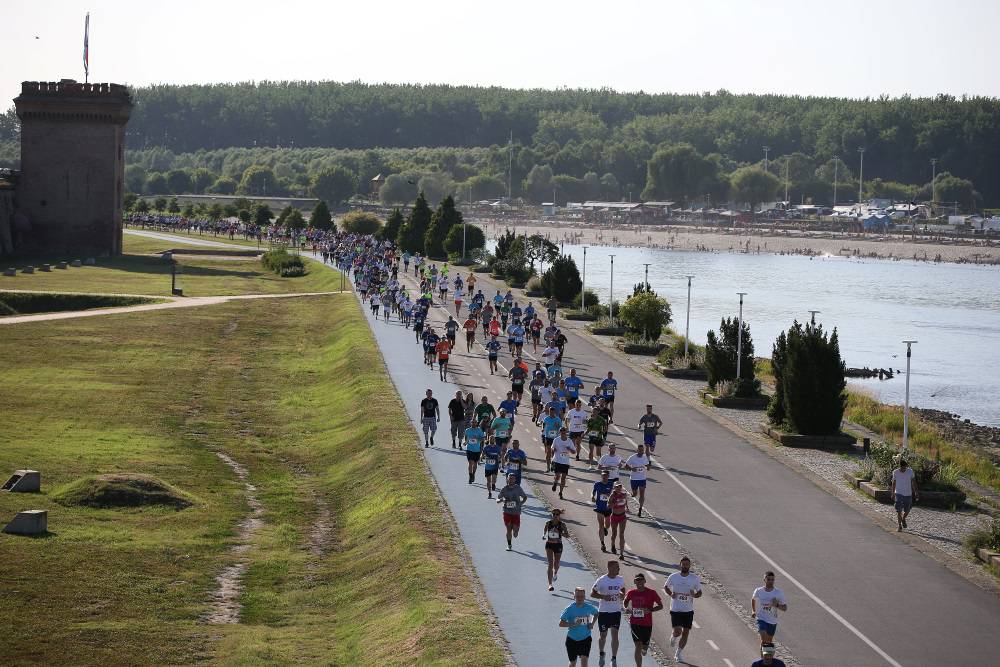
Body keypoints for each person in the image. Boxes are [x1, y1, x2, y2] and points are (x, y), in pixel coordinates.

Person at [664, 556, 702, 664]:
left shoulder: (694, 578)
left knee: (685, 633)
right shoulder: (673, 576)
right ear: (680, 565)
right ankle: (674, 636)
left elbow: (699, 592)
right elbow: (666, 586)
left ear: (689, 566)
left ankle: (678, 653)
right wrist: (671, 594)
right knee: (678, 631)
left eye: (687, 564)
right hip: (676, 608)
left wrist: (694, 595)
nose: (685, 566)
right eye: (683, 564)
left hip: (688, 610)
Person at [622, 573, 663, 665]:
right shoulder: (631, 592)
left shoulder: (652, 592)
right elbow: (625, 601)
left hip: (647, 624)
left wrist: (650, 610)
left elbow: (661, 606)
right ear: (634, 582)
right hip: (635, 623)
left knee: (644, 646)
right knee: (638, 645)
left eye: (641, 580)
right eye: (637, 580)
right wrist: (625, 608)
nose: (639, 582)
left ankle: (645, 647)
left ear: (645, 581)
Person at [591, 560, 625, 667]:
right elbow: (592, 593)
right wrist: (603, 597)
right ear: (610, 568)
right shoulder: (602, 580)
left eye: (618, 567)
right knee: (603, 635)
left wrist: (622, 594)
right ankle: (602, 653)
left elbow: (623, 590)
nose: (618, 569)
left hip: (616, 611)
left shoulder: (620, 579)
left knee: (615, 634)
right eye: (617, 567)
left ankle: (614, 658)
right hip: (604, 611)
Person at [560, 587, 599, 667]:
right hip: (572, 639)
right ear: (574, 597)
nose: (580, 598)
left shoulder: (589, 607)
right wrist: (573, 625)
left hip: (586, 638)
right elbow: (561, 623)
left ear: (585, 597)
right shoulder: (569, 609)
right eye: (578, 596)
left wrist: (592, 623)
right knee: (573, 662)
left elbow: (596, 613)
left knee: (584, 660)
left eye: (582, 596)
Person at [751, 572, 787, 647]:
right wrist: (753, 610)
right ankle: (763, 657)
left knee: (769, 642)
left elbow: (785, 608)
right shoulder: (759, 590)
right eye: (769, 579)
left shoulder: (778, 592)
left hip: (772, 620)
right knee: (764, 640)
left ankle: (765, 655)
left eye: (772, 579)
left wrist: (776, 605)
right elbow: (753, 599)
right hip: (761, 618)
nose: (771, 581)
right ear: (764, 580)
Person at [497, 473, 527, 550]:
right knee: (508, 529)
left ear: (515, 480)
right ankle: (509, 545)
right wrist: (501, 500)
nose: (511, 480)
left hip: (516, 512)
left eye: (512, 478)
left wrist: (521, 503)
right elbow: (497, 499)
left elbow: (525, 497)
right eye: (509, 478)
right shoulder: (504, 489)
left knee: (515, 533)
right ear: (507, 479)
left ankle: (516, 531)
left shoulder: (518, 488)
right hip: (507, 512)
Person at [544, 508, 570, 591]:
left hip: (558, 545)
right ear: (551, 515)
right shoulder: (548, 523)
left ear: (559, 516)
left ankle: (555, 573)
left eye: (557, 514)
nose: (555, 516)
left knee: (556, 564)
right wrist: (543, 536)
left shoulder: (562, 525)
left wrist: (559, 533)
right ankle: (550, 584)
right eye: (554, 514)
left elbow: (567, 535)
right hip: (549, 545)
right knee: (550, 564)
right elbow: (544, 531)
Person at [891, 456, 919, 531]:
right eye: (902, 468)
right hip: (898, 493)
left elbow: (914, 482)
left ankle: (903, 518)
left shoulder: (910, 471)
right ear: (900, 466)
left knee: (907, 510)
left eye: (905, 468)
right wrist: (893, 493)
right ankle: (899, 526)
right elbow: (894, 483)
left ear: (906, 466)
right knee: (899, 510)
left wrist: (916, 492)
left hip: (908, 494)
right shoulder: (895, 472)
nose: (904, 469)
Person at [592, 470, 615, 553]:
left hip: (608, 508)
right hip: (599, 507)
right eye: (603, 475)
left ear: (608, 476)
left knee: (607, 525)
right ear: (601, 476)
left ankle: (605, 528)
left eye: (605, 475)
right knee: (600, 525)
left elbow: (614, 493)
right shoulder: (597, 484)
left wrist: (611, 496)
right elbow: (593, 491)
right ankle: (602, 543)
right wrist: (592, 496)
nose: (604, 477)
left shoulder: (611, 484)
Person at [624, 444, 650, 518]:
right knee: (634, 494)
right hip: (634, 478)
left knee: (642, 493)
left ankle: (640, 509)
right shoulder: (632, 457)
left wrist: (648, 466)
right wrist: (632, 469)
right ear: (637, 450)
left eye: (643, 450)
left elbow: (648, 467)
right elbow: (626, 466)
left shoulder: (645, 457)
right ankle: (626, 498)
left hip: (642, 478)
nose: (642, 451)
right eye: (640, 450)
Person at [551, 427, 576, 499]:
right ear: (560, 433)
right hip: (557, 460)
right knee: (558, 475)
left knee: (563, 477)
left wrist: (569, 449)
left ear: (566, 433)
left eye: (564, 433)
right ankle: (555, 483)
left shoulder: (569, 441)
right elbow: (552, 448)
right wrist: (554, 449)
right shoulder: (556, 440)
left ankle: (561, 492)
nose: (563, 434)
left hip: (565, 462)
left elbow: (574, 452)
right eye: (561, 433)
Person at [608, 482, 628, 555]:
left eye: (620, 487)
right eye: (617, 487)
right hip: (614, 516)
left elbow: (625, 502)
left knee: (621, 534)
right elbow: (608, 506)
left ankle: (621, 554)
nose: (618, 488)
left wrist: (627, 508)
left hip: (622, 516)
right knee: (614, 533)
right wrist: (615, 503)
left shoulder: (624, 495)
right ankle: (613, 545)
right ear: (614, 488)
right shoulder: (612, 496)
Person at [566, 399, 589, 463]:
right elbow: (567, 419)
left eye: (579, 405)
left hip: (580, 430)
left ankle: (577, 455)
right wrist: (567, 427)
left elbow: (586, 421)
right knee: (572, 444)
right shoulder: (571, 412)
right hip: (572, 430)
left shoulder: (583, 413)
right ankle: (569, 453)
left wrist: (584, 428)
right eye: (577, 405)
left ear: (581, 405)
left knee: (578, 443)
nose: (578, 406)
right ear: (575, 405)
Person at [541, 406, 563, 473]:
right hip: (548, 437)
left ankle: (553, 465)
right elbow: (543, 424)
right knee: (548, 452)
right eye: (550, 412)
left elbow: (560, 428)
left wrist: (557, 427)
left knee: (553, 453)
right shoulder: (546, 418)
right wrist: (542, 428)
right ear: (549, 412)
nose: (551, 413)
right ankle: (548, 467)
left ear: (554, 412)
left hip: (555, 438)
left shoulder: (557, 419)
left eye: (552, 412)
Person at [464, 419, 485, 484]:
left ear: (477, 423)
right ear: (470, 423)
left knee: (475, 463)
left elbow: (483, 438)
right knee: (470, 462)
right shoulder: (467, 430)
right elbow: (466, 438)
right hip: (469, 449)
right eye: (472, 422)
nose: (473, 423)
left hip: (477, 449)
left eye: (474, 422)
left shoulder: (479, 430)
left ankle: (473, 474)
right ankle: (470, 476)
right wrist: (465, 442)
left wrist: (478, 439)